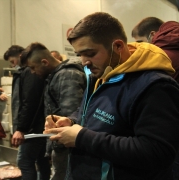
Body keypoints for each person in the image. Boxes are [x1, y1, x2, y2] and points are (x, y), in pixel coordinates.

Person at [44, 12, 179, 180]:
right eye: (80, 54)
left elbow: (157, 152)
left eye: (91, 53)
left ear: (118, 47)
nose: (84, 62)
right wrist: (72, 121)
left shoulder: (155, 87)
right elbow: (93, 112)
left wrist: (82, 138)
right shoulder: (101, 74)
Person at [21, 42, 86, 180]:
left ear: (44, 62)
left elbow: (72, 114)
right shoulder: (55, 76)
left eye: (33, 67)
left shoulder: (67, 75)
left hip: (67, 146)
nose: (32, 72)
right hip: (61, 143)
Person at [4, 45, 51, 180]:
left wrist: (21, 128)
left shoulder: (30, 71)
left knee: (24, 162)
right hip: (39, 125)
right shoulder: (27, 71)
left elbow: (29, 101)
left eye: (13, 62)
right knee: (41, 159)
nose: (13, 66)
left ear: (20, 56)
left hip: (33, 127)